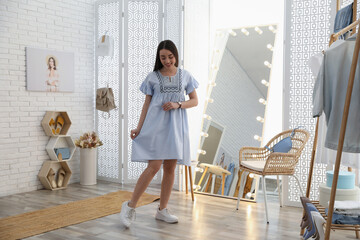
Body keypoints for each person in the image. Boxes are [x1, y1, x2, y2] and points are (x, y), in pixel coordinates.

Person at [119, 40, 199, 228]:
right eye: (163, 57)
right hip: (155, 126)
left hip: (175, 127)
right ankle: (130, 206)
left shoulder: (185, 76)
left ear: (175, 55)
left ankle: (162, 210)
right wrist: (139, 128)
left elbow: (194, 101)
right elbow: (146, 105)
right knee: (154, 166)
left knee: (170, 168)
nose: (167, 61)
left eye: (170, 57)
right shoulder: (152, 77)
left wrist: (178, 104)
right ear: (159, 57)